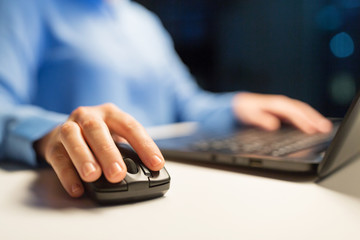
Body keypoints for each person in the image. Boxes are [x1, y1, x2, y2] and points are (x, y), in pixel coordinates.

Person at [0, 0, 332, 198]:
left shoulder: (144, 22)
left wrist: (236, 104)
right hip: (73, 185)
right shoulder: (22, 7)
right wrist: (50, 133)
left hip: (175, 183)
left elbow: (187, 104)